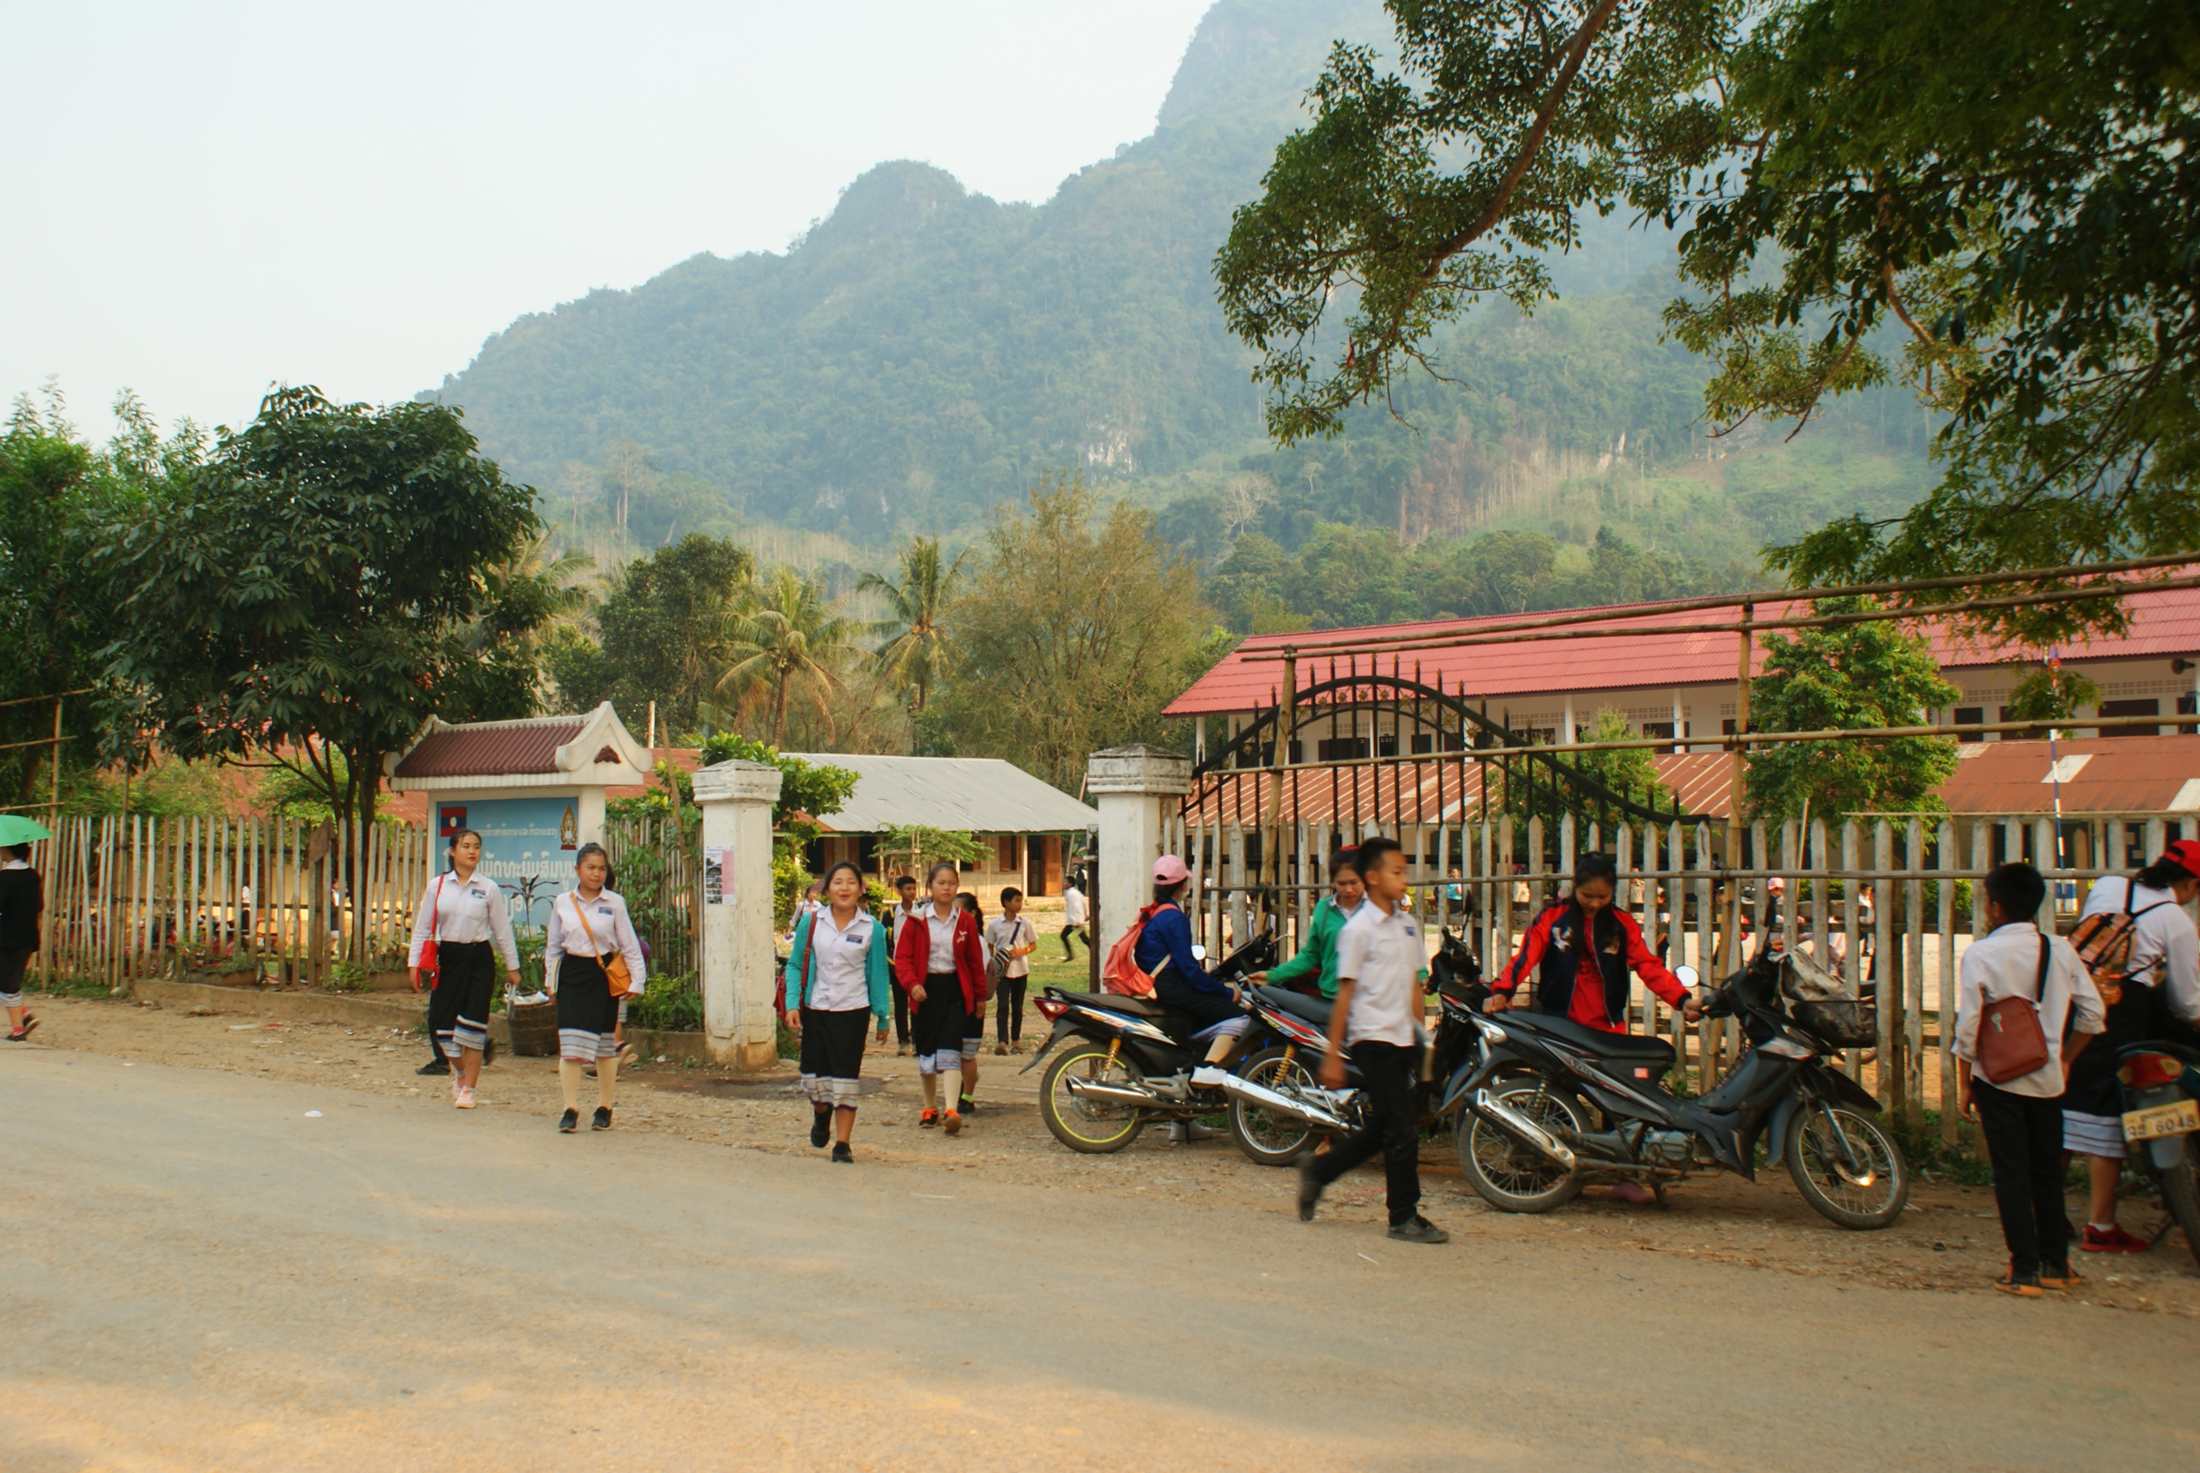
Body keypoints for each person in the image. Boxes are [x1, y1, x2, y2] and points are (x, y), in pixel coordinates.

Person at [1489, 850, 1701, 1204]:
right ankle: (1558, 1171)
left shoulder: (1621, 924)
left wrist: (1681, 1000)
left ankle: (1623, 1176)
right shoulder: (1553, 918)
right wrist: (1502, 990)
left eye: (1602, 897)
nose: (1594, 903)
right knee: (1561, 1098)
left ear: (1612, 894)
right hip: (1561, 1025)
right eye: (1588, 896)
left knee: (1617, 1103)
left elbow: (1648, 966)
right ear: (1575, 888)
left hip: (1607, 1028)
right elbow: (1526, 955)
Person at [1953, 862, 2104, 1296]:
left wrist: (1965, 1083)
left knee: (2011, 1174)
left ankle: (2023, 1271)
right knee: (2047, 1172)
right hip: (2049, 1079)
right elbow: (2093, 1016)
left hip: (1997, 1080)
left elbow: (1968, 1028)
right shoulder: (2060, 949)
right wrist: (2067, 1059)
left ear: (1996, 906)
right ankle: (2057, 1265)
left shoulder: (1982, 954)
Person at [1296, 837, 1448, 1244]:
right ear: (1373, 877)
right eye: (1396, 872)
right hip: (1372, 1038)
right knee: (1402, 1129)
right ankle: (1403, 1215)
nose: (1404, 880)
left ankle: (1320, 1171)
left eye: (1404, 872)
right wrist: (1331, 1054)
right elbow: (1345, 994)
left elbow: (1417, 985)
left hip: (1402, 1038)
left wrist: (1422, 1040)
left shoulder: (1408, 925)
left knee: (1384, 1126)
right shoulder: (1358, 930)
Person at [2064, 841, 2200, 1253]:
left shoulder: (2108, 886)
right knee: (2106, 1108)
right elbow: (2187, 1002)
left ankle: (2045, 1213)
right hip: (2122, 1013)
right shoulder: (2174, 920)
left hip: (2071, 999)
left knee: (2064, 1101)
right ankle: (2101, 1226)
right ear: (2190, 884)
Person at [785, 860, 893, 1162]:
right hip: (816, 1008)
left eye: (850, 882)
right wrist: (793, 1004)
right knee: (814, 1082)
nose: (844, 888)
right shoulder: (813, 922)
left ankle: (843, 1143)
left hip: (853, 1011)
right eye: (837, 882)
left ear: (861, 889)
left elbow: (878, 974)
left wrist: (882, 1015)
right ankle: (821, 1115)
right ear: (827, 889)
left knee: (846, 1078)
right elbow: (795, 965)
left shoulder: (872, 928)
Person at [406, 829, 520, 1109]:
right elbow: (422, 926)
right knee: (441, 1026)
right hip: (448, 957)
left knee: (473, 1026)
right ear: (452, 851)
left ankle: (469, 1087)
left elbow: (502, 930)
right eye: (466, 846)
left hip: (478, 958)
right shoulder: (438, 885)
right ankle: (458, 1069)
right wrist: (414, 962)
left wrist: (512, 965)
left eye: (476, 847)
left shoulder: (488, 888)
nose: (472, 851)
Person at [544, 843, 647, 1133]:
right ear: (577, 869)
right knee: (570, 1044)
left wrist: (637, 980)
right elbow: (552, 948)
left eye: (601, 868)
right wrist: (550, 983)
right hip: (572, 975)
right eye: (590, 867)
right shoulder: (563, 902)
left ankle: (605, 1106)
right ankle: (570, 1108)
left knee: (604, 1046)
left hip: (603, 977)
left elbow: (629, 944)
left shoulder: (614, 903)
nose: (596, 873)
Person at [1136, 855, 1250, 1087]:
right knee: (1240, 1017)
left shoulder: (1153, 914)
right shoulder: (1173, 918)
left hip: (1160, 987)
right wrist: (1226, 992)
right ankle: (1207, 1071)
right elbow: (1189, 969)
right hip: (1174, 988)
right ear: (1183, 886)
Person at [893, 862, 987, 1134]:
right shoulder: (916, 921)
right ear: (930, 887)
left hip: (955, 990)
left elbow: (974, 962)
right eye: (941, 883)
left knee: (951, 1048)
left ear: (957, 886)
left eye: (951, 883)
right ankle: (929, 1107)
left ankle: (951, 1110)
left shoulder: (965, 921)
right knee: (927, 1052)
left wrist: (979, 997)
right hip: (925, 992)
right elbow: (903, 959)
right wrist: (912, 985)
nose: (946, 887)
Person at [1258, 848, 1364, 1000]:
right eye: (1342, 883)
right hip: (1332, 997)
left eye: (1354, 882)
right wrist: (1273, 975)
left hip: (1370, 1000)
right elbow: (1311, 954)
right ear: (1333, 882)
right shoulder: (1324, 909)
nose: (1348, 889)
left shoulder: (1377, 909)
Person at [986, 887, 1038, 1054]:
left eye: (1020, 900)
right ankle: (1002, 1041)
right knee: (1002, 1006)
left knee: (1018, 1007)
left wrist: (1021, 952)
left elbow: (1033, 944)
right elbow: (990, 946)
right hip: (1002, 972)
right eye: (1016, 900)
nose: (1019, 904)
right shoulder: (994, 924)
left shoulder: (1025, 923)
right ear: (1006, 903)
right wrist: (994, 963)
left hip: (1021, 969)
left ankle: (1016, 1041)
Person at [1, 843, 43, 1042]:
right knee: (11, 979)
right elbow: (39, 905)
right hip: (27, 937)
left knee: (8, 983)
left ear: (8, 851)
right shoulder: (33, 876)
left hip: (5, 937)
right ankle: (24, 1016)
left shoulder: (4, 878)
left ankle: (19, 1029)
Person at [955, 891, 989, 1104]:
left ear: (972, 913)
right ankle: (962, 1088)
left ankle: (967, 1096)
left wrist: (979, 1000)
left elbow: (980, 973)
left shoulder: (978, 941)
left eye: (958, 910)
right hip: (954, 1002)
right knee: (953, 1053)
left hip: (972, 1003)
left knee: (967, 1054)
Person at [886, 874, 920, 1054]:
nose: (912, 892)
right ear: (899, 891)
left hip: (916, 966)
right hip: (896, 964)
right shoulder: (890, 914)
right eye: (908, 889)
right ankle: (903, 1041)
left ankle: (916, 1041)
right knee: (900, 1004)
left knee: (916, 1002)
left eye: (914, 888)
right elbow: (885, 939)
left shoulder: (921, 912)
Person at [1060, 876, 1090, 961]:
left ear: (1070, 884)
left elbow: (1075, 907)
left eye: (1065, 882)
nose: (1064, 883)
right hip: (1078, 919)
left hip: (1074, 921)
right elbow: (1084, 902)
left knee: (1063, 935)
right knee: (1084, 938)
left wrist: (1075, 920)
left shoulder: (1070, 893)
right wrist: (1085, 914)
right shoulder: (1077, 892)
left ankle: (1070, 955)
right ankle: (1094, 950)